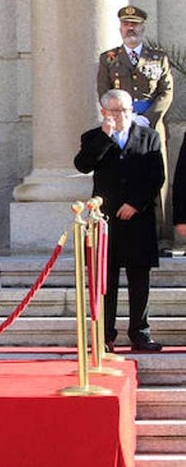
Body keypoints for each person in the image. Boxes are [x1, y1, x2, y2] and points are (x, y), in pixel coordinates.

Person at [75, 89, 164, 352]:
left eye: (125, 110)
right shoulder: (93, 137)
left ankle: (140, 332)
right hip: (106, 220)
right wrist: (105, 137)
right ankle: (105, 334)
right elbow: (83, 164)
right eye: (114, 111)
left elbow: (156, 175)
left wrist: (136, 203)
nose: (120, 115)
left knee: (139, 279)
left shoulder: (149, 137)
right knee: (106, 280)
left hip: (138, 218)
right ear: (104, 112)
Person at [96, 5, 174, 251]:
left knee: (154, 176)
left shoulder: (157, 57)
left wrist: (147, 118)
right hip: (121, 124)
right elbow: (103, 91)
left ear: (143, 27)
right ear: (120, 28)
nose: (131, 29)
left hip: (151, 125)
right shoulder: (109, 58)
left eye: (135, 25)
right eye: (127, 25)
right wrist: (123, 118)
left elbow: (166, 92)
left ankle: (161, 237)